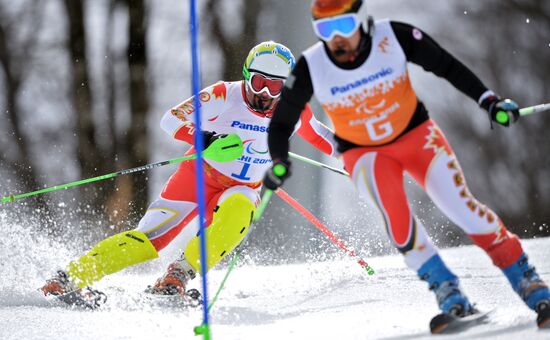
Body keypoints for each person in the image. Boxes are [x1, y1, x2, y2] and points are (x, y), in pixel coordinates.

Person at [263, 0, 550, 330]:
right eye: (324, 30)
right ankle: (450, 296)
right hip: (365, 154)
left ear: (361, 21)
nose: (336, 39)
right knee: (399, 223)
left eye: (343, 27)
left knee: (462, 209)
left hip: (417, 138)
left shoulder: (394, 37)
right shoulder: (311, 66)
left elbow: (446, 66)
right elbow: (282, 122)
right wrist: (280, 161)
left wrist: (489, 101)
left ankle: (530, 285)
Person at [41, 41, 338, 301]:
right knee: (147, 241)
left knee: (239, 211)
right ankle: (69, 278)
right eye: (258, 82)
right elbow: (170, 120)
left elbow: (326, 139)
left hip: (242, 187)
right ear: (246, 76)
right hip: (198, 177)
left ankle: (178, 275)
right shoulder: (223, 94)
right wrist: (208, 140)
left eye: (274, 86)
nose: (264, 93)